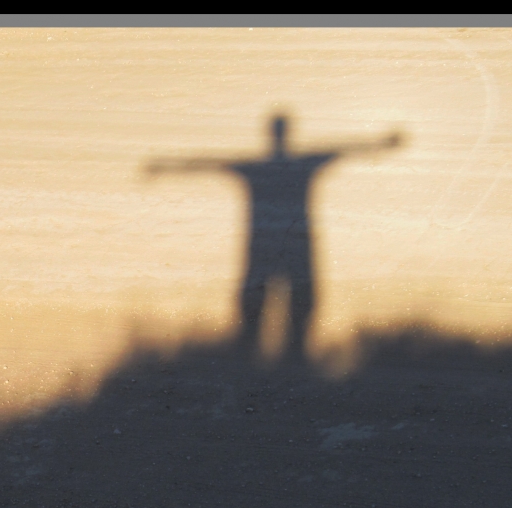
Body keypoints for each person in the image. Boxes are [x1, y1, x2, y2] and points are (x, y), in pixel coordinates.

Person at [148, 115, 401, 357]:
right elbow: (208, 165)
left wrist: (166, 166)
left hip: (277, 248)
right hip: (279, 248)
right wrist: (167, 166)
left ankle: (282, 365)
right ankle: (275, 365)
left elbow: (346, 148)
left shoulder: (274, 168)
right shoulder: (284, 167)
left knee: (290, 312)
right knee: (263, 313)